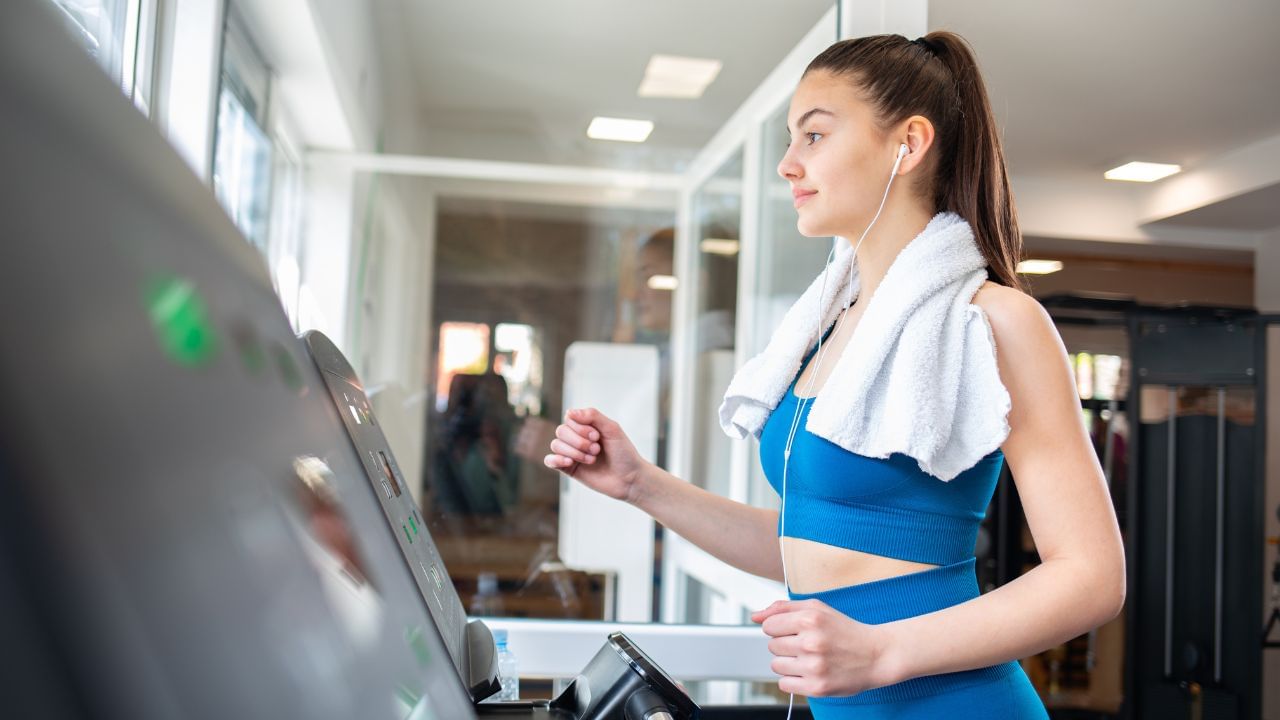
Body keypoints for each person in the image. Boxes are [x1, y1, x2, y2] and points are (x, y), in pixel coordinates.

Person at [545, 31, 1124, 718]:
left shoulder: (993, 321)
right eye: (791, 140)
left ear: (907, 144)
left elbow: (1092, 578)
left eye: (814, 136)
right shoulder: (827, 327)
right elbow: (809, 543)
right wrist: (641, 484)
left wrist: (882, 652)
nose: (788, 165)